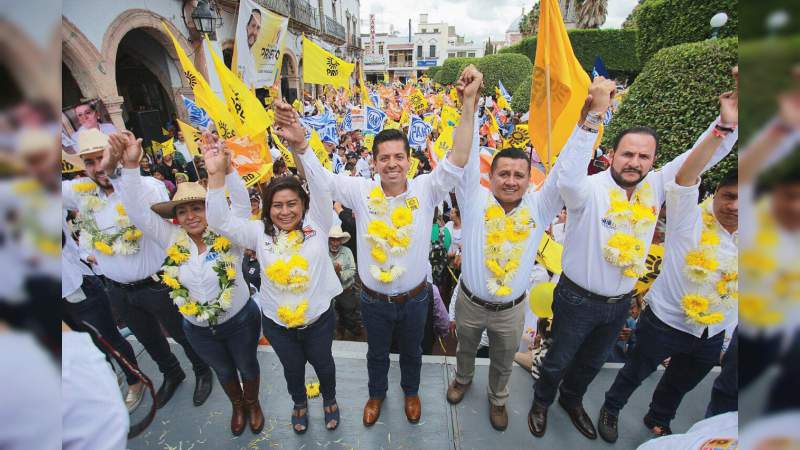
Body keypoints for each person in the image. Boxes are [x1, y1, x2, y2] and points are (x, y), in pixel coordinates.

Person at [528, 73, 739, 440]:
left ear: (654, 160)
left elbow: (700, 158)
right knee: (558, 359)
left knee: (592, 363)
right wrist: (593, 116)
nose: (634, 162)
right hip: (577, 299)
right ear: (612, 155)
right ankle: (542, 401)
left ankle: (571, 400)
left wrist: (725, 124)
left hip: (620, 303)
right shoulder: (586, 190)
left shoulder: (657, 186)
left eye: (644, 156)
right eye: (627, 154)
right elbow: (567, 174)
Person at [272, 65, 479, 427]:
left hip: (416, 297)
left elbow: (459, 159)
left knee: (413, 353)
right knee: (377, 354)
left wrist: (469, 106)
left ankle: (410, 392)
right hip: (373, 299)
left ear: (409, 161)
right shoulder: (361, 191)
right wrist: (300, 143)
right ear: (374, 162)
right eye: (384, 157)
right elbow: (321, 179)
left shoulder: (427, 188)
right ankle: (376, 394)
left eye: (399, 156)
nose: (392, 163)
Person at [447, 77, 601, 431]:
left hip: (511, 310)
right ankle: (462, 379)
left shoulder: (539, 208)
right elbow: (467, 156)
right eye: (504, 174)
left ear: (529, 180)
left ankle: (498, 399)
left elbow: (565, 169)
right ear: (492, 176)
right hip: (470, 303)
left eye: (519, 175)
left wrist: (586, 122)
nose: (511, 180)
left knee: (503, 361)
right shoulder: (473, 201)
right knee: (464, 350)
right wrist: (468, 103)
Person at [598, 84, 738, 441]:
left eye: (744, 199)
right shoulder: (688, 219)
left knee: (680, 383)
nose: (735, 206)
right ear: (715, 194)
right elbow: (688, 174)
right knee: (634, 372)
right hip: (665, 321)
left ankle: (659, 418)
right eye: (728, 196)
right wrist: (723, 127)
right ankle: (611, 408)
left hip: (711, 333)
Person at [104, 130, 263, 436]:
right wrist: (132, 167)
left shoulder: (229, 234)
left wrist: (226, 170)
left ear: (210, 209)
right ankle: (237, 405)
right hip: (198, 329)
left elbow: (241, 204)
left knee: (247, 366)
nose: (190, 216)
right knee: (225, 370)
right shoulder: (170, 239)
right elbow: (137, 212)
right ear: (175, 217)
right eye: (182, 210)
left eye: (197, 207)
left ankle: (253, 403)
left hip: (240, 320)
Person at [63, 129, 212, 412]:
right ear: (82, 167)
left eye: (104, 158)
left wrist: (119, 169)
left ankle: (202, 371)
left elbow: (138, 201)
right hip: (117, 289)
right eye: (91, 162)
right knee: (149, 339)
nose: (99, 167)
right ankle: (172, 373)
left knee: (182, 332)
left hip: (158, 284)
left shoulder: (146, 186)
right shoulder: (80, 194)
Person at [205, 132, 343, 434]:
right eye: (277, 205)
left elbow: (321, 185)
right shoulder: (258, 234)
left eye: (292, 204)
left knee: (324, 366)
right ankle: (299, 403)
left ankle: (329, 399)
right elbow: (219, 222)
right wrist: (217, 174)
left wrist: (301, 147)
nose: (285, 211)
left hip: (318, 321)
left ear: (303, 204)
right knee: (292, 369)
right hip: (278, 325)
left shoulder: (317, 224)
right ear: (267, 209)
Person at [328, 225, 361, 339]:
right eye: (332, 239)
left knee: (350, 315)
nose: (335, 243)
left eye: (338, 240)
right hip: (328, 292)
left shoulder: (347, 252)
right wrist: (332, 273)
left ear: (341, 241)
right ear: (328, 240)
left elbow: (352, 270)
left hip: (345, 289)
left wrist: (340, 273)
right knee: (330, 317)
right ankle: (335, 336)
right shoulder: (322, 252)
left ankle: (355, 335)